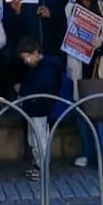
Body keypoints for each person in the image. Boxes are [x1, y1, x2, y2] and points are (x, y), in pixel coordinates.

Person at [65, 0, 103, 170]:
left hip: (99, 64)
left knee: (102, 112)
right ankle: (87, 152)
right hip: (78, 63)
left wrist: (101, 43)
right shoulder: (70, 9)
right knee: (82, 112)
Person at [16, 38, 65, 183]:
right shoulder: (41, 66)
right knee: (35, 139)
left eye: (27, 57)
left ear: (36, 53)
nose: (26, 61)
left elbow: (41, 88)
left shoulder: (46, 68)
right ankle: (38, 165)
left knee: (40, 139)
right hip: (35, 108)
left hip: (40, 108)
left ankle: (42, 166)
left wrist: (23, 89)